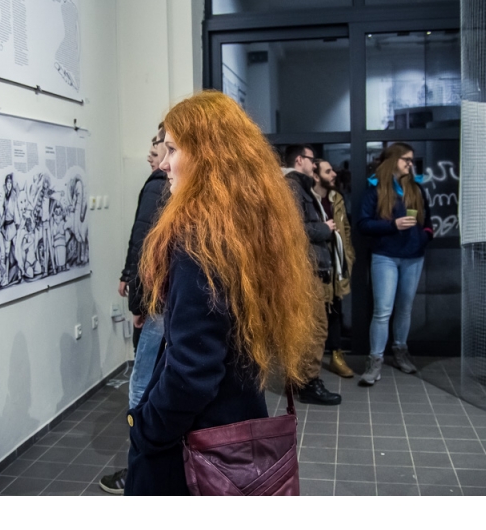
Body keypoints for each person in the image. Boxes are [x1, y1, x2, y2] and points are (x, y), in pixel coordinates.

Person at [124, 91, 317, 496]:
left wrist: (147, 430)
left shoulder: (200, 240)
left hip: (198, 443)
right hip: (237, 419)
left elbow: (192, 372)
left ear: (206, 156)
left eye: (172, 149)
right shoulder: (245, 226)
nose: (162, 163)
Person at [100, 126, 169, 494]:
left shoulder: (160, 183)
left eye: (161, 144)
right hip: (166, 300)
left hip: (159, 303)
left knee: (143, 386)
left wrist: (138, 302)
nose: (154, 152)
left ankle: (140, 472)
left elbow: (146, 245)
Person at [357, 142, 433, 386]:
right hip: (385, 257)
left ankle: (400, 352)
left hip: (413, 256)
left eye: (411, 160)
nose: (410, 164)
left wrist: (424, 237)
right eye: (406, 160)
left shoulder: (416, 189)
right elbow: (363, 224)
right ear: (392, 161)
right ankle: (375, 361)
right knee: (382, 311)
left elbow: (429, 222)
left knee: (405, 308)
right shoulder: (375, 191)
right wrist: (393, 225)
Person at [281, 145, 341, 406]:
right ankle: (308, 383)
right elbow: (293, 229)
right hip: (306, 269)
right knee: (316, 327)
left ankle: (299, 379)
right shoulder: (293, 187)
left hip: (308, 267)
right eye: (311, 159)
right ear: (299, 160)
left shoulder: (299, 187)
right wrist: (324, 228)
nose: (314, 164)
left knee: (306, 328)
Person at [312, 159, 356, 378]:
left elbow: (345, 228)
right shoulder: (308, 199)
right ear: (316, 176)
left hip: (337, 263)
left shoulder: (336, 197)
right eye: (328, 171)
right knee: (316, 315)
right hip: (317, 264)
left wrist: (349, 257)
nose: (334, 174)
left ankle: (337, 356)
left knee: (336, 309)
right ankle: (310, 365)